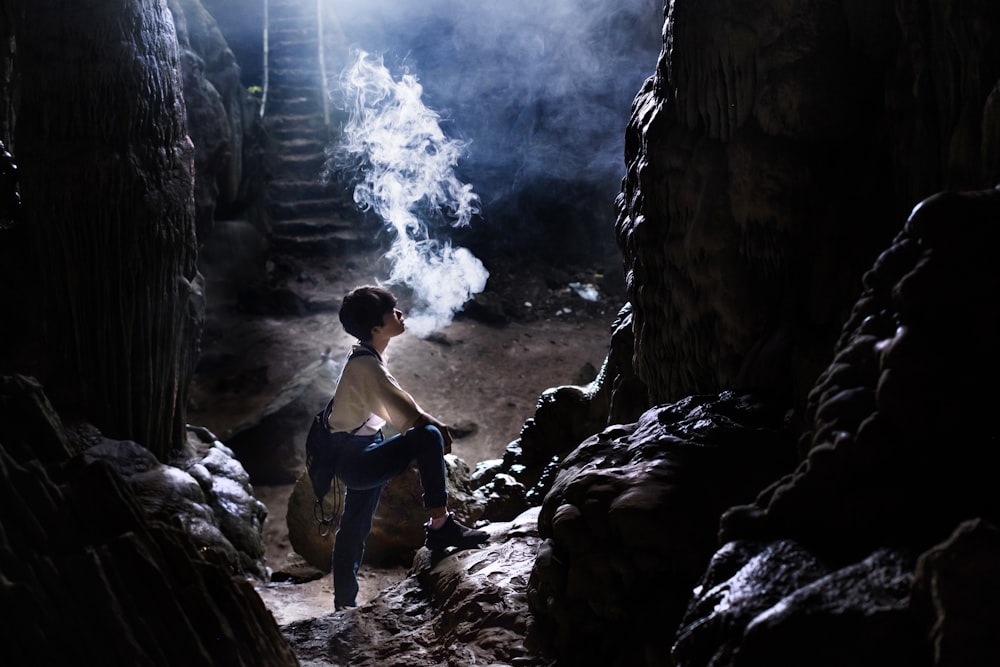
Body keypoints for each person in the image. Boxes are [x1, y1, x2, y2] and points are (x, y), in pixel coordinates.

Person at [327, 284, 489, 610]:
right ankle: (441, 526)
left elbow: (401, 402)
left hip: (355, 449)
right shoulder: (367, 366)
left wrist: (431, 422)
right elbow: (413, 418)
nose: (400, 314)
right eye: (393, 312)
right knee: (427, 437)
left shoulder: (365, 355)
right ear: (376, 327)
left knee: (354, 529)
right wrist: (437, 428)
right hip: (356, 458)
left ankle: (343, 603)